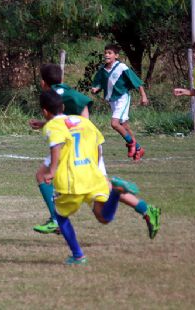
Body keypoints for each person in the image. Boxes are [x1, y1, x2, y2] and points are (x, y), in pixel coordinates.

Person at [29, 64, 161, 239]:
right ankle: (145, 209)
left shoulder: (53, 95)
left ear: (43, 82)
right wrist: (46, 124)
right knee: (100, 187)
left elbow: (74, 119)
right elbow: (72, 118)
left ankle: (56, 219)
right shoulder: (65, 92)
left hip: (79, 145)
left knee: (45, 176)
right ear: (61, 79)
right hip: (81, 143)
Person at [39, 90, 147, 265]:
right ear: (64, 107)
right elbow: (98, 145)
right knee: (103, 217)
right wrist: (95, 168)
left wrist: (51, 171)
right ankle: (116, 191)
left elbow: (56, 145)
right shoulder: (84, 122)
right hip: (92, 175)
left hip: (70, 181)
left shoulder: (52, 127)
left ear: (45, 111)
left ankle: (78, 255)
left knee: (60, 216)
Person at [91, 44, 149, 161]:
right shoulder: (102, 70)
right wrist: (95, 89)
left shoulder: (122, 67)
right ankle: (138, 149)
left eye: (110, 53)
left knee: (114, 123)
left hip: (122, 98)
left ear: (116, 56)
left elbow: (136, 82)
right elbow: (99, 84)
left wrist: (143, 96)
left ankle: (131, 143)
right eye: (106, 52)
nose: (107, 55)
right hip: (112, 101)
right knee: (125, 126)